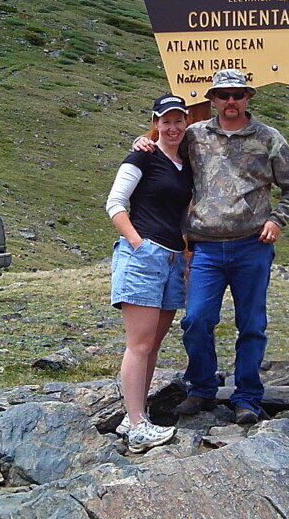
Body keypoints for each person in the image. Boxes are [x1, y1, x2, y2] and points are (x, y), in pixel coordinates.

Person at [135, 69, 289, 424]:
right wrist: (143, 141)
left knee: (252, 324)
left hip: (252, 247)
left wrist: (277, 220)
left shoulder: (268, 138)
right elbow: (164, 146)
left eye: (238, 94)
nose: (231, 101)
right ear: (212, 99)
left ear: (248, 98)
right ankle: (201, 388)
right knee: (197, 320)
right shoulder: (195, 135)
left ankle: (247, 397)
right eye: (224, 94)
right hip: (205, 249)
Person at [106, 93, 193, 452]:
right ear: (156, 123)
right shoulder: (142, 156)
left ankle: (133, 415)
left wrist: (186, 253)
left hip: (173, 259)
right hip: (145, 256)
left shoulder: (184, 164)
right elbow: (114, 203)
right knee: (139, 344)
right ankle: (139, 425)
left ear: (185, 122)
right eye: (165, 121)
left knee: (153, 344)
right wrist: (138, 245)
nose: (172, 128)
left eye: (178, 121)